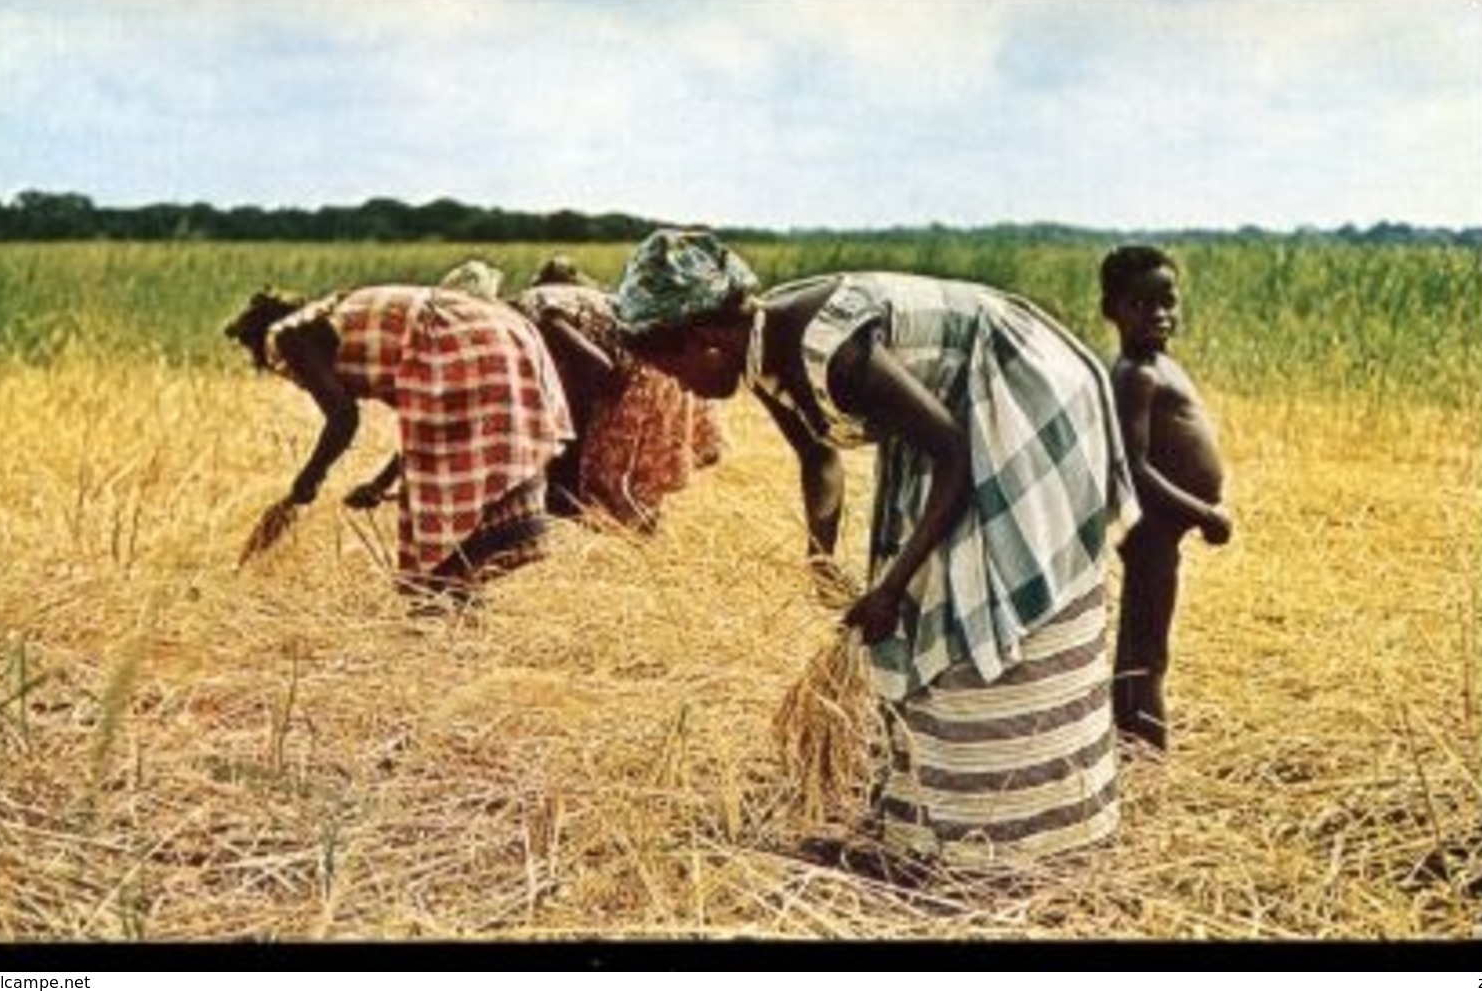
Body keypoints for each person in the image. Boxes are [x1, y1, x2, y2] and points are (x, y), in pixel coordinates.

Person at [613, 228, 1139, 875]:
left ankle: (1016, 839)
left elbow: (953, 452)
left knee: (976, 594)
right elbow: (818, 455)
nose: (683, 386)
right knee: (926, 594)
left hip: (1018, 391)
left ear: (703, 340)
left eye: (673, 369)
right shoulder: (761, 348)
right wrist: (819, 558)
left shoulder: (823, 347)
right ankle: (933, 824)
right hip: (958, 420)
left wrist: (890, 586)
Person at [223, 283, 574, 598]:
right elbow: (421, 426)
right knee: (444, 480)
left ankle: (442, 596)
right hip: (496, 332)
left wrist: (307, 481)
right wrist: (381, 483)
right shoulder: (334, 317)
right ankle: (454, 597)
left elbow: (343, 415)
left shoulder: (287, 335)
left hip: (461, 340)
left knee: (436, 518)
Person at [1100, 245, 1232, 751]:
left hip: (1163, 532)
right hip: (1150, 531)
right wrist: (1205, 515)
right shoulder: (1136, 374)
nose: (1159, 314)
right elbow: (1134, 469)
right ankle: (1143, 758)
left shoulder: (1158, 363)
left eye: (1167, 301)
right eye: (1140, 304)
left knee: (1148, 646)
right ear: (1112, 309)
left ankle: (1138, 749)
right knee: (1144, 653)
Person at [513, 254, 725, 530]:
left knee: (612, 482)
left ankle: (626, 546)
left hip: (644, 370)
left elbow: (602, 369)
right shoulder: (587, 298)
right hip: (668, 365)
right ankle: (637, 545)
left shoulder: (530, 309)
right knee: (633, 483)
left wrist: (585, 421)